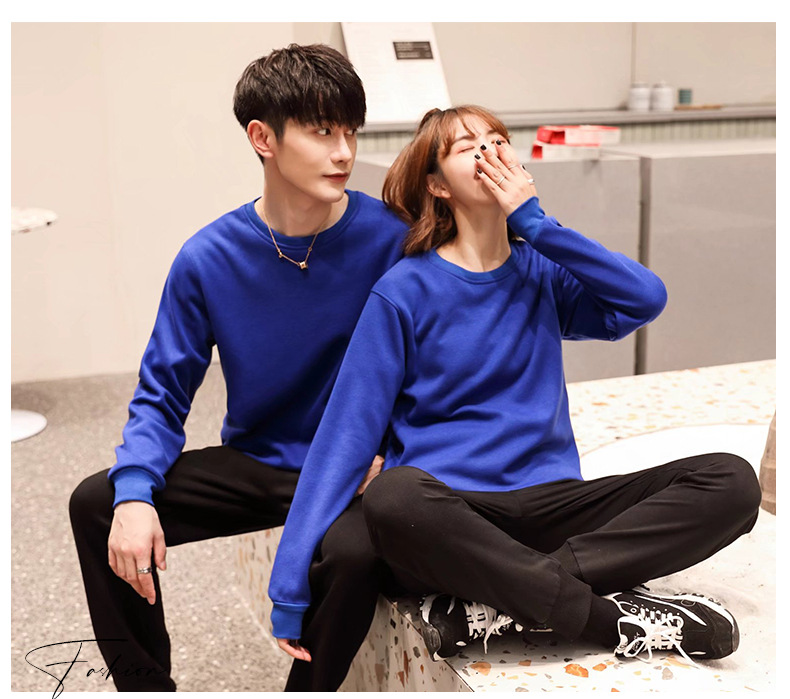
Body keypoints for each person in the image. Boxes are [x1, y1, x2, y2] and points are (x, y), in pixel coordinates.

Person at [268, 105, 762, 667]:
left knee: (731, 482)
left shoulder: (540, 269)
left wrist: (536, 224)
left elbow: (644, 298)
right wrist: (290, 585)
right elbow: (345, 437)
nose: (489, 151)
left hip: (554, 510)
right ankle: (603, 619)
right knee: (394, 495)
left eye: (497, 140)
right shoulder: (402, 291)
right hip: (454, 521)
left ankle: (500, 599)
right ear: (437, 185)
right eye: (467, 146)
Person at [68, 43, 408, 692]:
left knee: (356, 556)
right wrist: (134, 492)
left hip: (357, 468)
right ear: (263, 138)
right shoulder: (207, 259)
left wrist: (397, 455)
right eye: (322, 131)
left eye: (350, 132)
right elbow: (162, 394)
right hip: (262, 461)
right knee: (97, 503)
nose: (344, 152)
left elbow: (437, 366)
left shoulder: (393, 237)